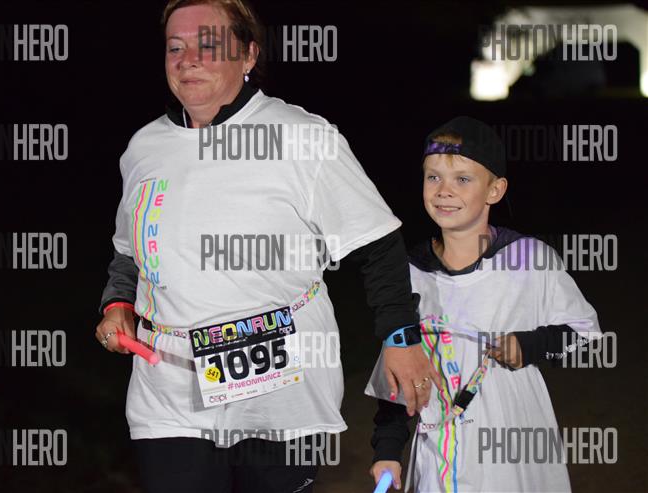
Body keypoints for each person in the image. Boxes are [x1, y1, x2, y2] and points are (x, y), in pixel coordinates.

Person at [94, 1, 438, 491]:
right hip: (168, 386)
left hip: (279, 387)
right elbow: (129, 251)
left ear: (249, 55)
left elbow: (377, 245)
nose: (188, 60)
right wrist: (117, 304)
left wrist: (401, 340)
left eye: (208, 45)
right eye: (175, 47)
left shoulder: (303, 138)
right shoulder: (143, 148)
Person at [365, 116, 602, 492]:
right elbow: (401, 375)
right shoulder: (408, 275)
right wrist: (388, 450)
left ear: (495, 190)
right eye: (433, 177)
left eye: (462, 179)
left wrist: (530, 345)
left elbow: (584, 333)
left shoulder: (528, 260)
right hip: (439, 455)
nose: (444, 190)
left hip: (512, 454)